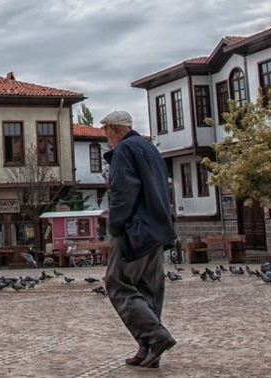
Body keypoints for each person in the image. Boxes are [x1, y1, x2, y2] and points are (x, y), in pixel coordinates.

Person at [100, 110, 178, 370]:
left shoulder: (124, 150)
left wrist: (116, 226)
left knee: (118, 283)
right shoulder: (150, 149)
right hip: (158, 227)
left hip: (136, 230)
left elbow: (124, 192)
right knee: (149, 290)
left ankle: (156, 338)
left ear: (113, 129)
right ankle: (148, 350)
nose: (106, 137)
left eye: (105, 132)